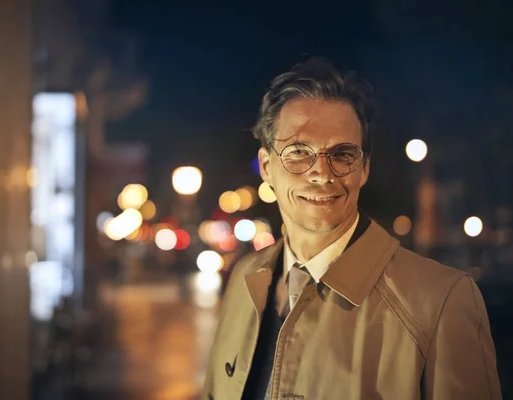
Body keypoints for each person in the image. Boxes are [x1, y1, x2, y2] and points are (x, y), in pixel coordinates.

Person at [202, 58, 501, 400]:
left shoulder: (440, 302)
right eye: (299, 152)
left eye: (343, 154)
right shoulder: (245, 277)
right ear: (267, 167)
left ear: (364, 169)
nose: (321, 173)